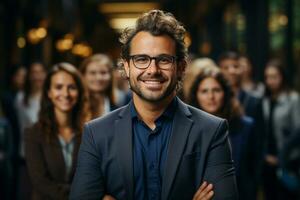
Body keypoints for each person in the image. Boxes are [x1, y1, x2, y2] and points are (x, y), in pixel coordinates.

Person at [70, 10, 237, 200]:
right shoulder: (96, 133)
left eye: (164, 60)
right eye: (141, 59)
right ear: (126, 66)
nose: (152, 70)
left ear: (181, 67)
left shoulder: (212, 130)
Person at [189, 67, 259, 200]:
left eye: (216, 90)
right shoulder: (188, 128)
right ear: (196, 95)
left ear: (225, 93)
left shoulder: (246, 126)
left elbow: (253, 173)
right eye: (204, 91)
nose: (211, 97)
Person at [24, 63, 86, 200]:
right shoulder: (33, 133)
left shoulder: (90, 132)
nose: (65, 94)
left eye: (72, 87)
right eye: (58, 87)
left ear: (79, 92)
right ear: (49, 92)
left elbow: (93, 177)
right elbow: (41, 182)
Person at [262, 59, 300, 200]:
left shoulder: (293, 98)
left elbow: (298, 131)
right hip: (267, 159)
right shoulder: (264, 99)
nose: (270, 81)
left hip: (288, 159)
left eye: (274, 77)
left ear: (282, 77)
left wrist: (281, 156)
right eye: (267, 77)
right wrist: (265, 155)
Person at [80, 54, 118, 120]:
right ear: (83, 76)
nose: (98, 78)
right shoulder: (75, 104)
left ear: (111, 76)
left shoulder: (121, 103)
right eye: (92, 73)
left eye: (103, 73)